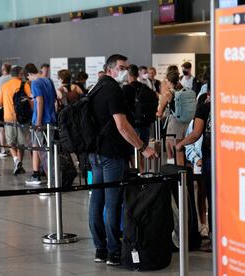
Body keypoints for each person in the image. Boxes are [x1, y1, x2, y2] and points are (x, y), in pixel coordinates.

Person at [88, 54, 157, 266]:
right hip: (111, 154)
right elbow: (122, 125)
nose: (125, 70)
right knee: (113, 202)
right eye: (121, 67)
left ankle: (100, 248)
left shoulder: (95, 88)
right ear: (110, 68)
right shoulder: (113, 90)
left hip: (94, 152)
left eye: (126, 67)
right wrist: (142, 147)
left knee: (97, 200)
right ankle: (113, 251)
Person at [175, 82, 212, 248]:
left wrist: (180, 145)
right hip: (226, 160)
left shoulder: (205, 108)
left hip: (210, 160)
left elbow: (195, 134)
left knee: (211, 197)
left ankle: (213, 236)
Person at [24, 63, 57, 185]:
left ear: (28, 74)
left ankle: (52, 181)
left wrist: (38, 121)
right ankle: (38, 174)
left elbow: (40, 101)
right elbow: (53, 99)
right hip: (51, 119)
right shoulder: (48, 80)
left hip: (41, 121)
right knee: (41, 148)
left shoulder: (35, 83)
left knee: (44, 152)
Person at [0, 66, 32, 175]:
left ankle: (16, 160)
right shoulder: (25, 85)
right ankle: (19, 162)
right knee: (21, 142)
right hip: (22, 117)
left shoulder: (4, 86)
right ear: (20, 74)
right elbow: (31, 98)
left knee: (11, 142)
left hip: (8, 117)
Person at [157, 70, 191, 166]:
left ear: (168, 81)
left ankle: (179, 175)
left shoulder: (168, 94)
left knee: (176, 149)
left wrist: (158, 113)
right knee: (184, 148)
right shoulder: (186, 90)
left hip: (175, 123)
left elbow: (160, 112)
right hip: (187, 122)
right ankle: (185, 173)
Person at [0, 64, 12, 158]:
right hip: (12, 106)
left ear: (2, 70)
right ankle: (13, 149)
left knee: (2, 128)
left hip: (1, 107)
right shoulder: (13, 78)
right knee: (12, 126)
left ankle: (3, 150)